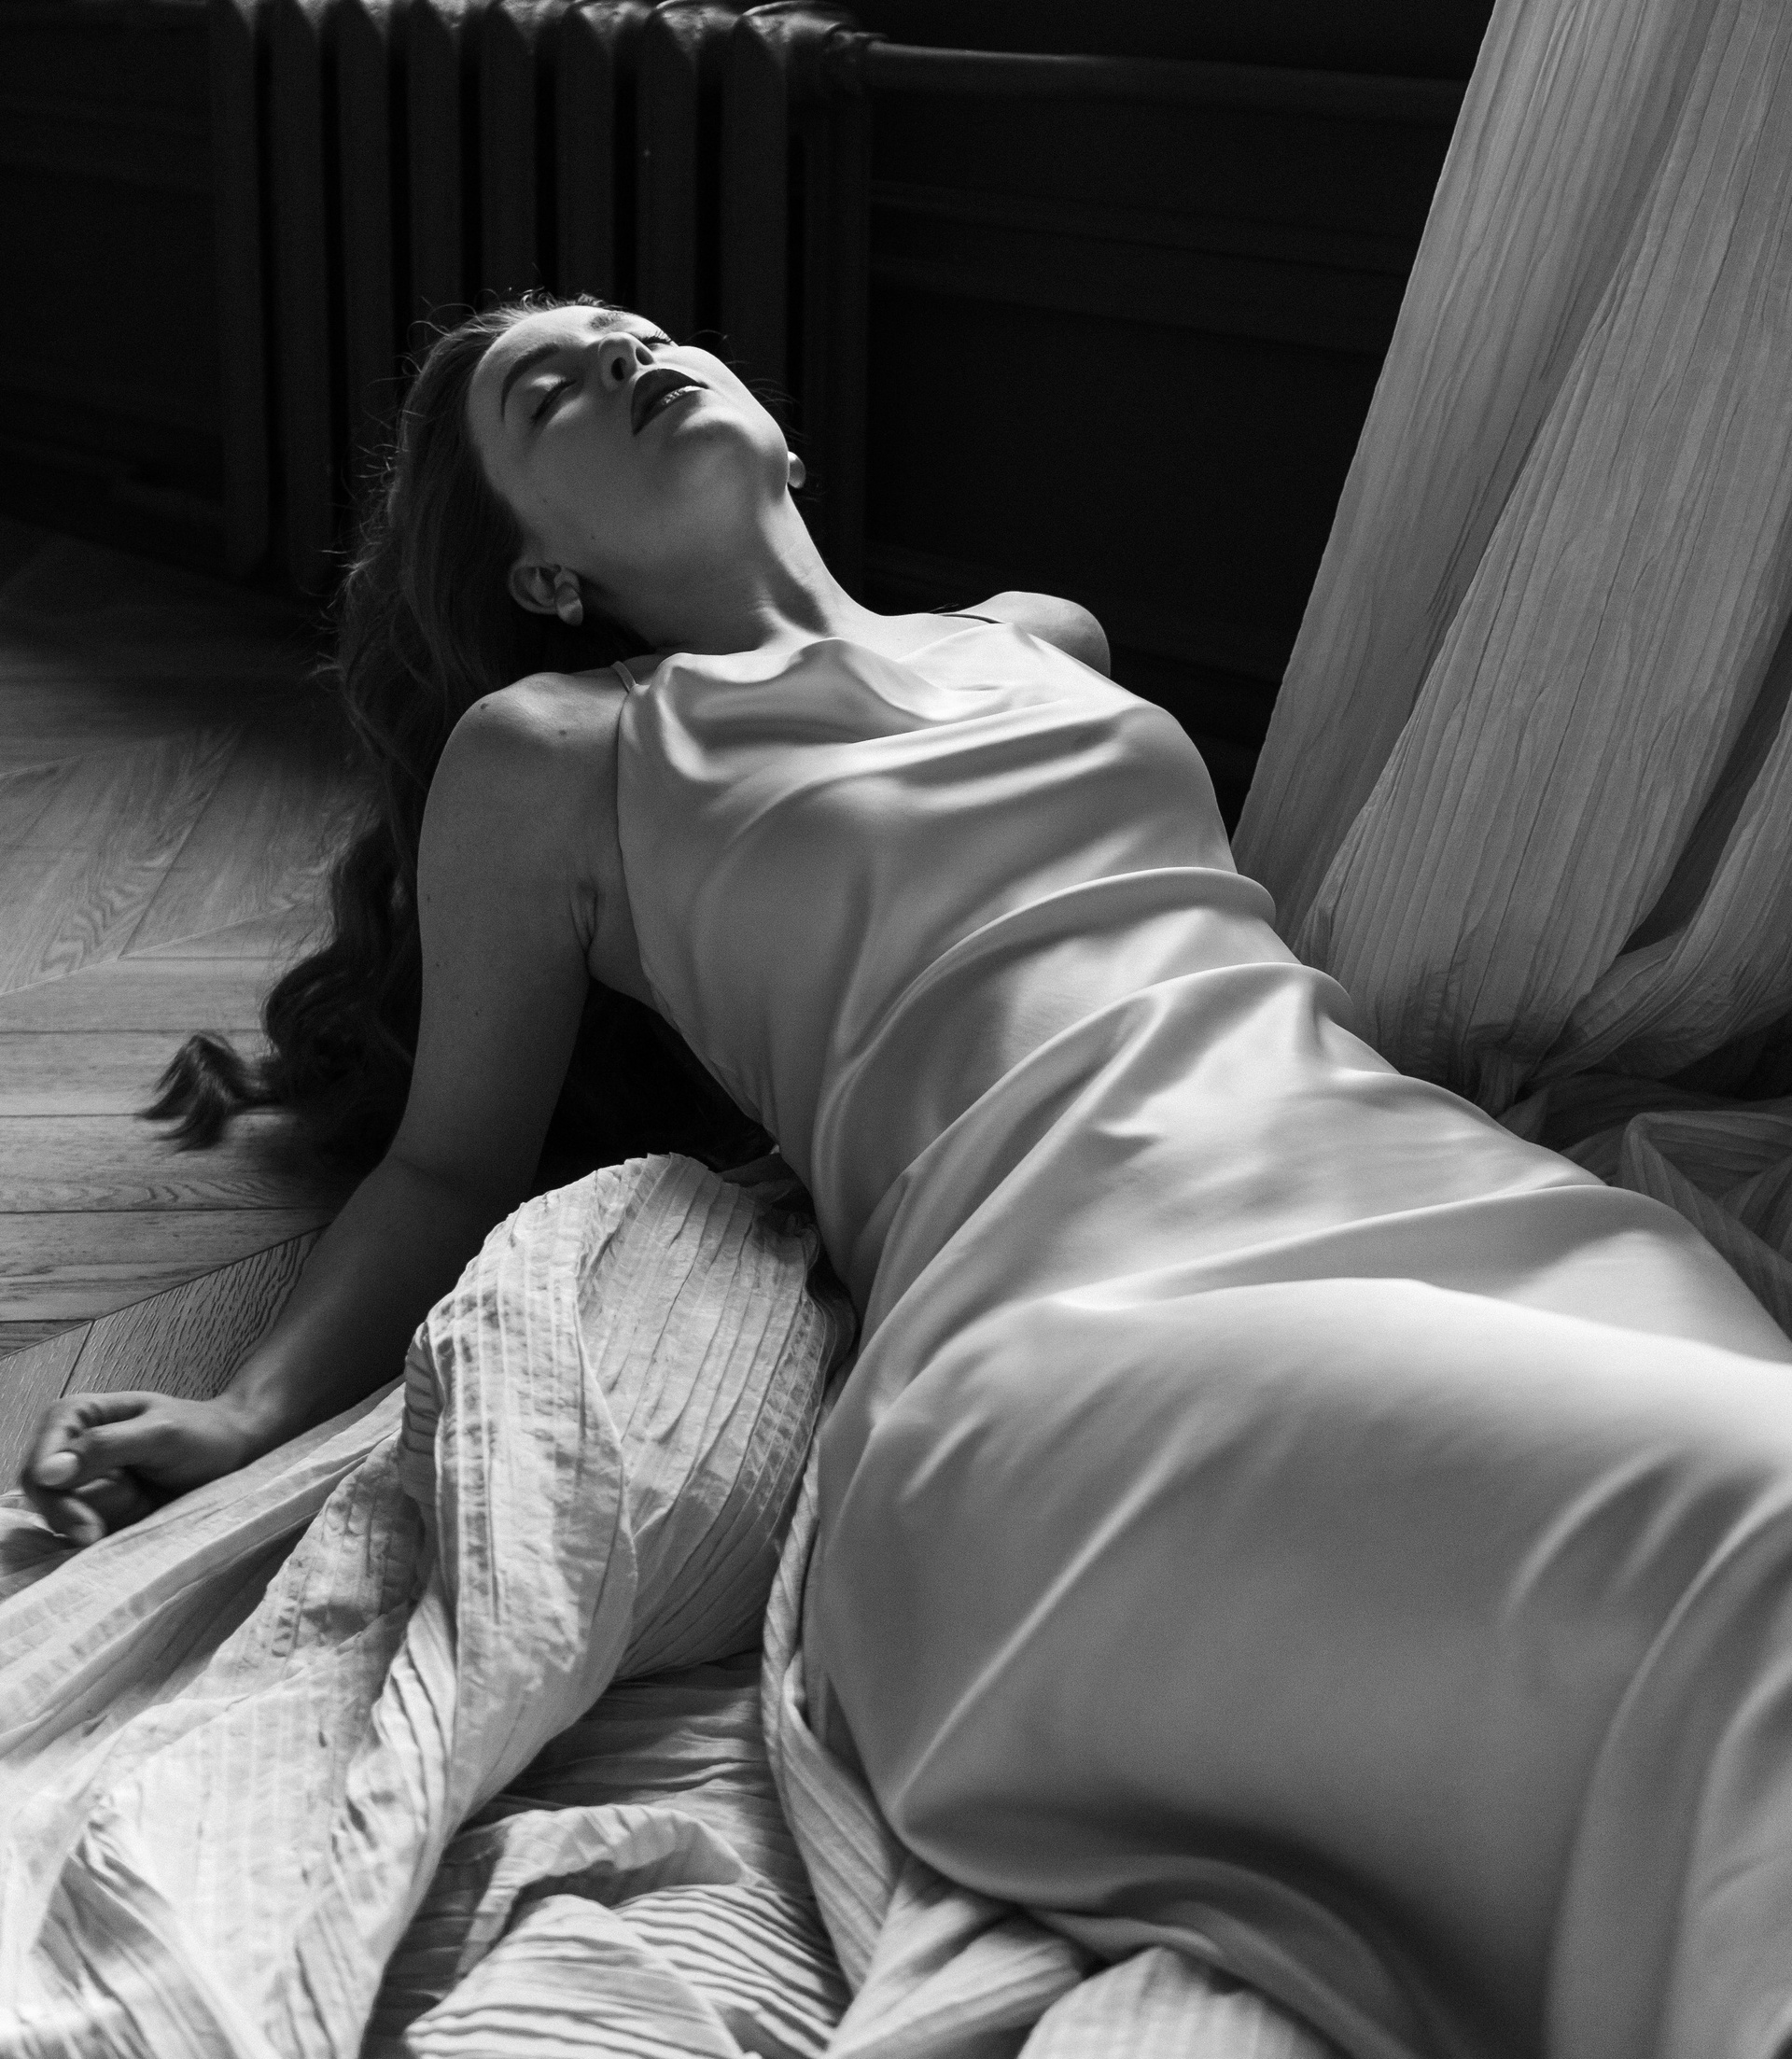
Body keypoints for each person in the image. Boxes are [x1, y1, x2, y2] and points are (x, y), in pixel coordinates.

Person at [21, 294, 1792, 2059]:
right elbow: (445, 1162)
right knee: (1735, 1520)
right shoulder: (555, 755)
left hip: (1423, 1178)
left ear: (778, 437)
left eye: (635, 331)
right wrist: (248, 1409)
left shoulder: (1044, 636)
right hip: (1077, 1293)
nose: (623, 355)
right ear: (546, 575)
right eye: (546, 393)